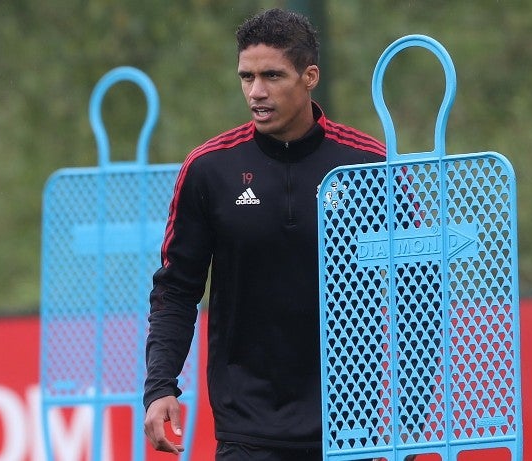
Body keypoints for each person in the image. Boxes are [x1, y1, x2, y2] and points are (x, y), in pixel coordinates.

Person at [143, 8, 387, 461]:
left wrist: (408, 424)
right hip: (246, 430)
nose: (256, 92)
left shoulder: (370, 165)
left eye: (272, 75)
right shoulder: (208, 169)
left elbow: (414, 296)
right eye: (246, 77)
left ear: (309, 76)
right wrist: (160, 387)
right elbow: (176, 290)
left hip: (353, 427)